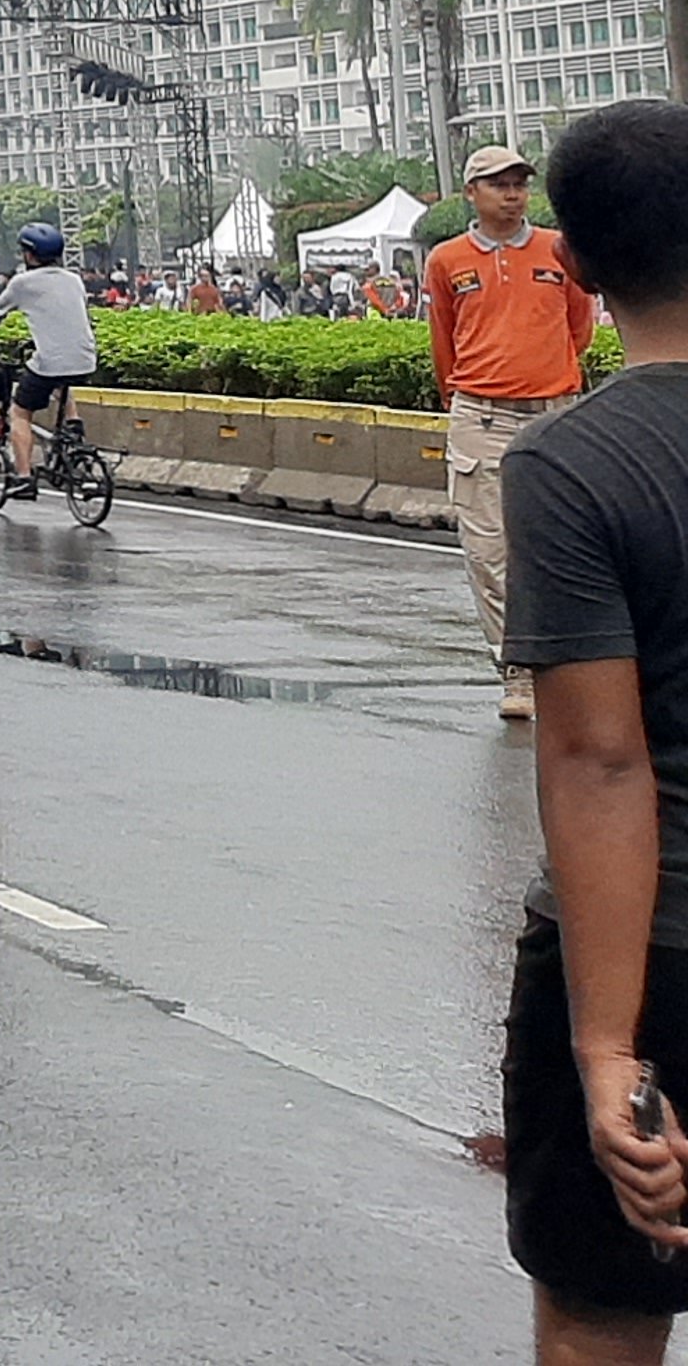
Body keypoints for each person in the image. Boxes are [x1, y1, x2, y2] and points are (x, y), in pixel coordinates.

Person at [491, 99, 688, 1357]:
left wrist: (606, 1045)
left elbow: (600, 758)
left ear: (570, 266)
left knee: (603, 1318)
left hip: (658, 959)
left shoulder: (571, 464)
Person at [438, 143, 608, 724]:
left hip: (553, 413)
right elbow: (444, 339)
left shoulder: (557, 250)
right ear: (472, 193)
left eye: (518, 183)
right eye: (498, 184)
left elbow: (578, 328)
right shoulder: (446, 261)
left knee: (565, 543)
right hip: (479, 416)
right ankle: (516, 667)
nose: (512, 194)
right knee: (489, 549)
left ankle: (568, 661)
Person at [0, 221, 97, 494]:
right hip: (85, 359)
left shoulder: (22, 283)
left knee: (19, 412)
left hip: (51, 362)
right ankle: (74, 426)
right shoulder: (73, 279)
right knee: (61, 378)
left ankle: (23, 478)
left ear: (29, 254)